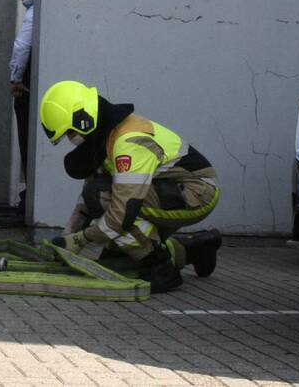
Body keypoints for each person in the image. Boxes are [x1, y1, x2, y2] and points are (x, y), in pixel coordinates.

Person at [40, 80, 223, 293]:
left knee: (111, 206)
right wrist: (66, 240)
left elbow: (122, 212)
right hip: (171, 189)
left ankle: (162, 269)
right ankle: (197, 248)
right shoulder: (106, 138)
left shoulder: (129, 142)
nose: (71, 139)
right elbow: (86, 202)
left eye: (69, 133)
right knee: (122, 252)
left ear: (83, 119)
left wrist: (81, 239)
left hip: (197, 193)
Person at [0, 0, 35, 227]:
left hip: (27, 89)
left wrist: (15, 78)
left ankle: (28, 206)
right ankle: (27, 202)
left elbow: (22, 47)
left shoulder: (35, 14)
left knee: (28, 145)